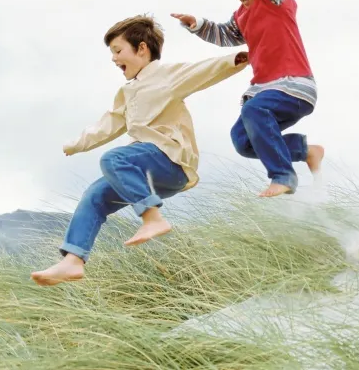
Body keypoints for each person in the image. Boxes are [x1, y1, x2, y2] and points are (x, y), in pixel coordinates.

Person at [31, 15, 248, 286]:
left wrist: (238, 58)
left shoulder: (166, 75)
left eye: (118, 51)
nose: (114, 59)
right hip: (144, 171)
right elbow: (109, 123)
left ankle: (152, 218)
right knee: (94, 194)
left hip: (170, 161)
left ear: (142, 49)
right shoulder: (128, 92)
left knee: (114, 159)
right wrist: (76, 144)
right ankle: (73, 261)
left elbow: (203, 70)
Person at [172, 0, 324, 198]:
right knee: (242, 139)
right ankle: (307, 151)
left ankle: (283, 176)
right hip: (267, 90)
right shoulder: (242, 14)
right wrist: (196, 24)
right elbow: (226, 35)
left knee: (256, 110)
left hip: (294, 86)